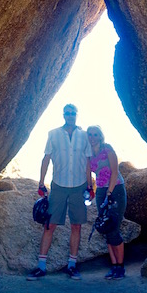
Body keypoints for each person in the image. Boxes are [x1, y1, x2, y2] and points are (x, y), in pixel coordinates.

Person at [27, 104, 93, 281]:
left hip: (79, 186)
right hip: (59, 185)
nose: (70, 116)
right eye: (67, 113)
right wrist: (41, 182)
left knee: (76, 225)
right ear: (63, 115)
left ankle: (72, 266)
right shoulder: (53, 134)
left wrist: (90, 186)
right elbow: (46, 158)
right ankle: (41, 266)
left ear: (77, 115)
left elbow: (87, 162)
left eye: (73, 113)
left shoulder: (83, 135)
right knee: (50, 225)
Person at [87, 125, 127, 279]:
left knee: (114, 228)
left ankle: (120, 267)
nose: (92, 137)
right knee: (106, 227)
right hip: (101, 191)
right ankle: (114, 266)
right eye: (90, 134)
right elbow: (87, 172)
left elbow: (115, 171)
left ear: (100, 136)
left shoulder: (107, 149)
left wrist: (109, 193)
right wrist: (89, 188)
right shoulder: (89, 154)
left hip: (115, 189)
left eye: (95, 134)